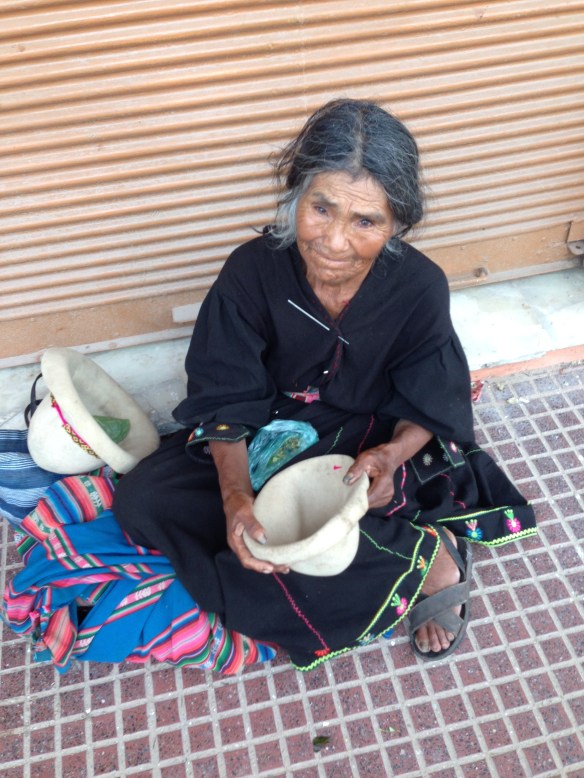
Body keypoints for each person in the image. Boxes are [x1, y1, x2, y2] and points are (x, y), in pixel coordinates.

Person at [113, 98, 536, 669]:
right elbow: (225, 391)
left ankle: (430, 564)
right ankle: (393, 542)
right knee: (146, 500)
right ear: (295, 197)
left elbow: (432, 398)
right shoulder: (251, 271)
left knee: (327, 525)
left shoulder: (418, 286)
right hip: (274, 423)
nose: (335, 242)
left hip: (370, 430)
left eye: (366, 221)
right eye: (321, 209)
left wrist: (390, 456)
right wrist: (236, 497)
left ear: (396, 226)